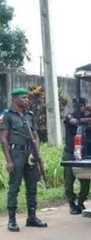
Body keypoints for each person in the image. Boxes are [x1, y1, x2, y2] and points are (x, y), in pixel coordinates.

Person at [0, 88, 48, 232]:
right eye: (24, 98)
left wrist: (36, 153)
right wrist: (8, 160)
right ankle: (12, 220)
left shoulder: (29, 115)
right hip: (16, 153)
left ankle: (32, 217)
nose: (27, 100)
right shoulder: (7, 115)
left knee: (32, 186)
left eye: (27, 98)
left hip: (30, 154)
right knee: (14, 187)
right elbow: (3, 139)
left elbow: (36, 136)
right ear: (15, 99)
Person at [62, 98, 91, 215]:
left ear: (84, 106)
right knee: (69, 181)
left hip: (83, 154)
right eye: (76, 106)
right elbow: (74, 122)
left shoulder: (88, 117)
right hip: (69, 152)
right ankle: (71, 203)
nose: (78, 108)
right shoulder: (69, 116)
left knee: (85, 181)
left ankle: (81, 201)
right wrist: (89, 119)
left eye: (81, 106)